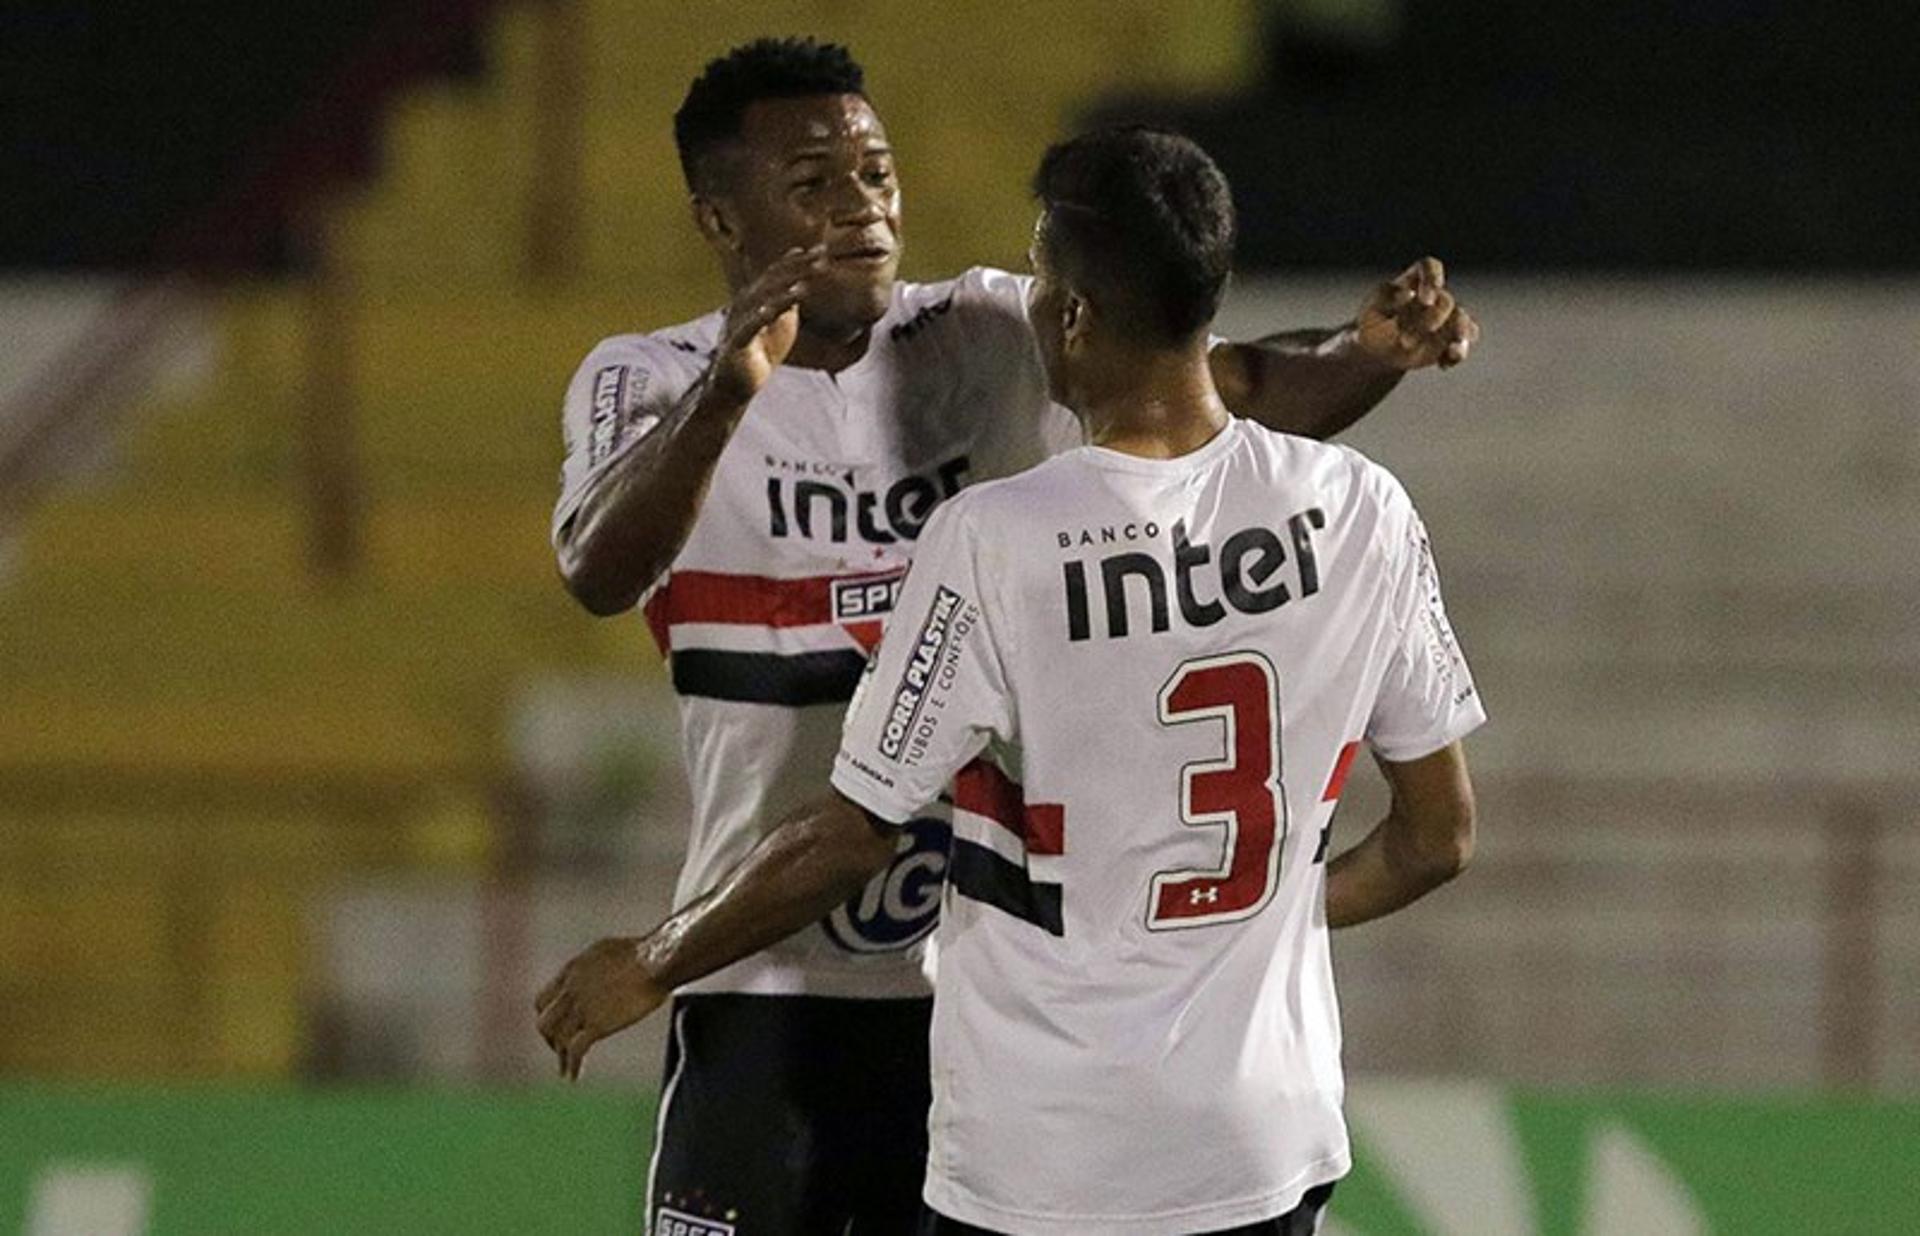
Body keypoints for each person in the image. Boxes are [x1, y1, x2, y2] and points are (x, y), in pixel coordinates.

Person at [547, 37, 1478, 1235]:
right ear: (720, 219)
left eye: (878, 174)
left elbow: (1211, 382)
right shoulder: (649, 377)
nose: (863, 210)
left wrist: (1364, 356)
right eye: (815, 182)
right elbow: (596, 569)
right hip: (764, 977)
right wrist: (728, 396)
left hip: (975, 991)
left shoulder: (986, 329)